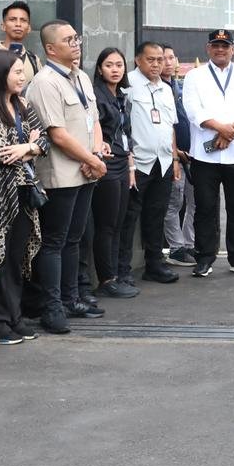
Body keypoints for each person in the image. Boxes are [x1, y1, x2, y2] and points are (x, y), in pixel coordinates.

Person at [23, 20, 104, 334]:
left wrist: (95, 156)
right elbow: (56, 134)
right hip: (60, 175)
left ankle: (71, 299)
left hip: (85, 171)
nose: (76, 44)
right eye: (68, 40)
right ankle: (51, 306)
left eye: (77, 38)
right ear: (50, 48)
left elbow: (91, 120)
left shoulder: (81, 76)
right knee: (54, 242)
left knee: (74, 239)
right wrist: (90, 160)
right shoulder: (45, 82)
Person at [0, 50, 49, 345]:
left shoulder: (22, 104)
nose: (22, 77)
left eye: (23, 72)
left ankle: (14, 316)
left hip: (24, 191)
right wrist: (28, 147)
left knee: (17, 258)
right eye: (16, 72)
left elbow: (43, 138)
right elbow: (2, 151)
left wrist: (29, 147)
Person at [181, 28, 234, 278]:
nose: (220, 49)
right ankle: (204, 256)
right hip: (205, 155)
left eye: (225, 46)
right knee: (205, 207)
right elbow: (192, 110)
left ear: (232, 50)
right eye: (215, 45)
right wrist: (220, 129)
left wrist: (233, 130)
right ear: (208, 49)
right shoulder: (194, 76)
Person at [118, 41, 181, 290]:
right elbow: (121, 124)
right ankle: (122, 269)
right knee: (129, 217)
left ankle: (154, 263)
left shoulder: (166, 89)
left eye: (160, 59)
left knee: (156, 214)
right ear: (138, 60)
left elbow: (171, 126)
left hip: (163, 161)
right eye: (151, 59)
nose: (157, 64)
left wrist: (175, 158)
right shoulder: (128, 85)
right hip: (138, 163)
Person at [88, 48, 134, 304]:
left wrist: (130, 166)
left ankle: (115, 275)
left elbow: (126, 133)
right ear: (99, 69)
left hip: (121, 162)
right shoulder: (96, 95)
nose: (115, 69)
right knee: (106, 225)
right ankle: (106, 280)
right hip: (105, 163)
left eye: (119, 65)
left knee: (118, 222)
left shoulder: (121, 96)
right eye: (109, 65)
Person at [161, 45, 196, 267]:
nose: (167, 62)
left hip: (194, 155)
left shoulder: (181, 87)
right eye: (162, 58)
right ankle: (176, 247)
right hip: (173, 156)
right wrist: (177, 153)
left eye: (171, 57)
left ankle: (189, 243)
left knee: (195, 203)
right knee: (174, 202)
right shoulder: (158, 89)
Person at [0, 1, 41, 81]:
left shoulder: (34, 60)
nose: (18, 24)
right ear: (3, 26)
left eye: (23, 20)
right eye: (12, 19)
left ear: (29, 28)